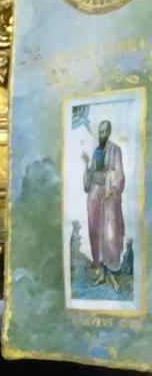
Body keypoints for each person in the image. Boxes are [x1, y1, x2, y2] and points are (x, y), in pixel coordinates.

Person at [81, 119, 126, 288]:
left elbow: (119, 174)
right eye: (100, 131)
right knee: (95, 232)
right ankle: (101, 274)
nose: (102, 134)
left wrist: (112, 189)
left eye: (105, 131)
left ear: (109, 132)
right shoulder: (96, 152)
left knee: (110, 234)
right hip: (94, 196)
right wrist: (87, 164)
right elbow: (91, 174)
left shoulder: (115, 150)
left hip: (109, 198)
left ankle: (112, 275)